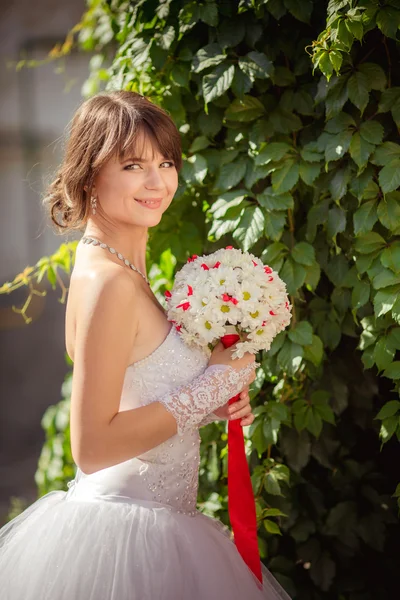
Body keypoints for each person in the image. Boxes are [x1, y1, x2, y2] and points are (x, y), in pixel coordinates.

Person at [0, 91, 291, 599]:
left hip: (160, 525)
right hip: (126, 541)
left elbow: (137, 397)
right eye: (133, 165)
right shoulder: (110, 282)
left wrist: (210, 400)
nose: (158, 182)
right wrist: (211, 385)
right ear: (90, 175)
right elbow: (92, 447)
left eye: (166, 162)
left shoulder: (120, 270)